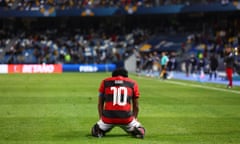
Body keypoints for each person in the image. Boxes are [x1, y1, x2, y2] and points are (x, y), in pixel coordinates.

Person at [91, 68, 145, 139]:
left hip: (108, 118)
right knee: (140, 128)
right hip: (126, 118)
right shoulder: (132, 83)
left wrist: (101, 118)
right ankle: (138, 130)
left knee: (94, 129)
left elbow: (100, 104)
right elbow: (136, 106)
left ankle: (98, 131)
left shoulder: (105, 82)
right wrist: (134, 118)